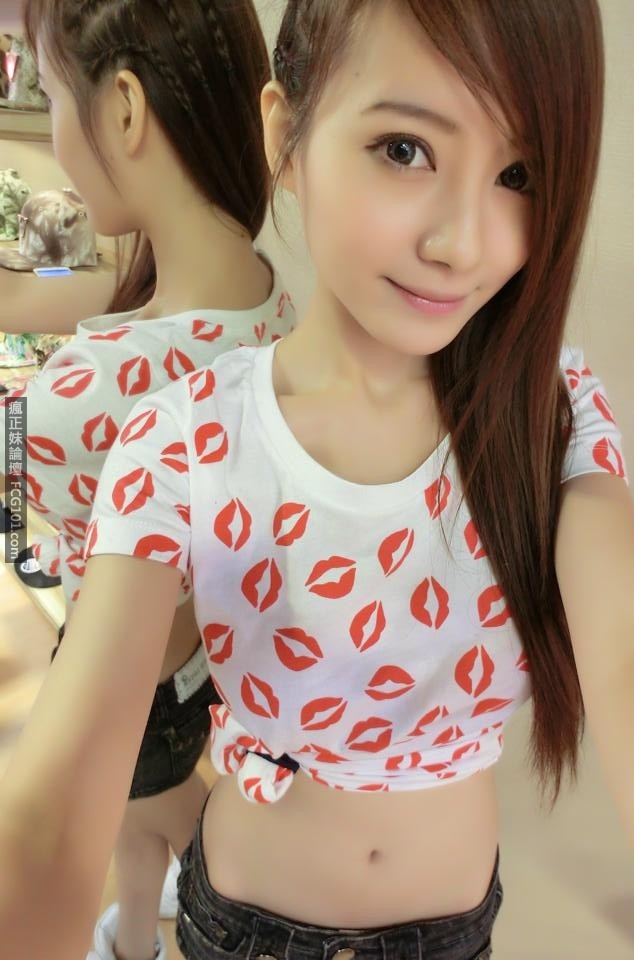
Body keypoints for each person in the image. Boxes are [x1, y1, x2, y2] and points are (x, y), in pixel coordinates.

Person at [1, 1, 634, 959]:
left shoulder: (548, 420)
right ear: (285, 137)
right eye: (405, 150)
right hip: (247, 926)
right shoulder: (186, 437)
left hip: (454, 930)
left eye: (519, 174)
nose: (464, 243)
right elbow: (55, 804)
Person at [0, 0, 295, 958]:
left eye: (55, 95)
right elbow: (50, 293)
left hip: (125, 676)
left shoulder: (84, 395)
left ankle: (198, 918)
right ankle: (134, 936)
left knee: (160, 822)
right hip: (197, 661)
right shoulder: (264, 294)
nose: (57, 130)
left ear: (123, 108)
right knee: (138, 834)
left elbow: (23, 450)